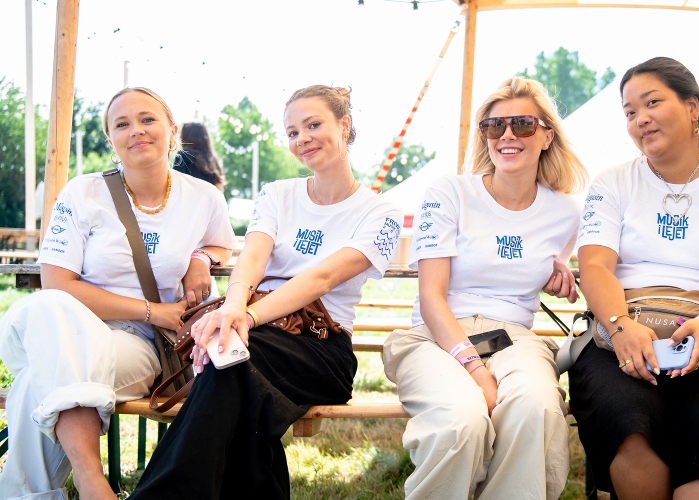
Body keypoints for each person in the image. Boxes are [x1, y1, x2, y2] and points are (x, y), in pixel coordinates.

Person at [129, 85, 403, 499]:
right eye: (292, 132)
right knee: (240, 390)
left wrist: (245, 317)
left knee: (229, 365)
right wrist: (232, 310)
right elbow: (253, 257)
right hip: (252, 333)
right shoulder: (278, 194)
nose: (302, 138)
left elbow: (321, 279)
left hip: (320, 346)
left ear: (344, 125)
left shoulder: (381, 212)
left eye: (313, 125)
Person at [0, 87, 237, 500]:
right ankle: (91, 478)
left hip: (136, 345)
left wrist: (201, 257)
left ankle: (61, 487)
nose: (136, 130)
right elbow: (58, 283)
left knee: (36, 383)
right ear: (111, 139)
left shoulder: (204, 197)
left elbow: (223, 245)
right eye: (122, 124)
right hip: (59, 327)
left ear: (172, 131)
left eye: (147, 119)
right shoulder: (82, 192)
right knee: (50, 306)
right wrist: (152, 310)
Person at [571, 57, 699, 499]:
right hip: (619, 333)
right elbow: (595, 267)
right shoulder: (612, 182)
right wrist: (620, 327)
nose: (640, 119)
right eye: (630, 111)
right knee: (630, 428)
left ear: (692, 107)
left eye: (652, 103)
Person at [383, 77, 587, 499]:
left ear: (547, 135)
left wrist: (557, 272)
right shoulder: (449, 193)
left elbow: (552, 259)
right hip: (436, 335)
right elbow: (431, 298)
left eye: (523, 124)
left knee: (536, 406)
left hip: (513, 337)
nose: (507, 135)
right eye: (495, 126)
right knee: (461, 420)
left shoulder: (566, 212)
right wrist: (477, 370)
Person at [173, 122, 226, 190]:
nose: (180, 137)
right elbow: (219, 187)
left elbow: (175, 182)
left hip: (189, 196)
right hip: (208, 196)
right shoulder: (213, 160)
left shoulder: (183, 155)